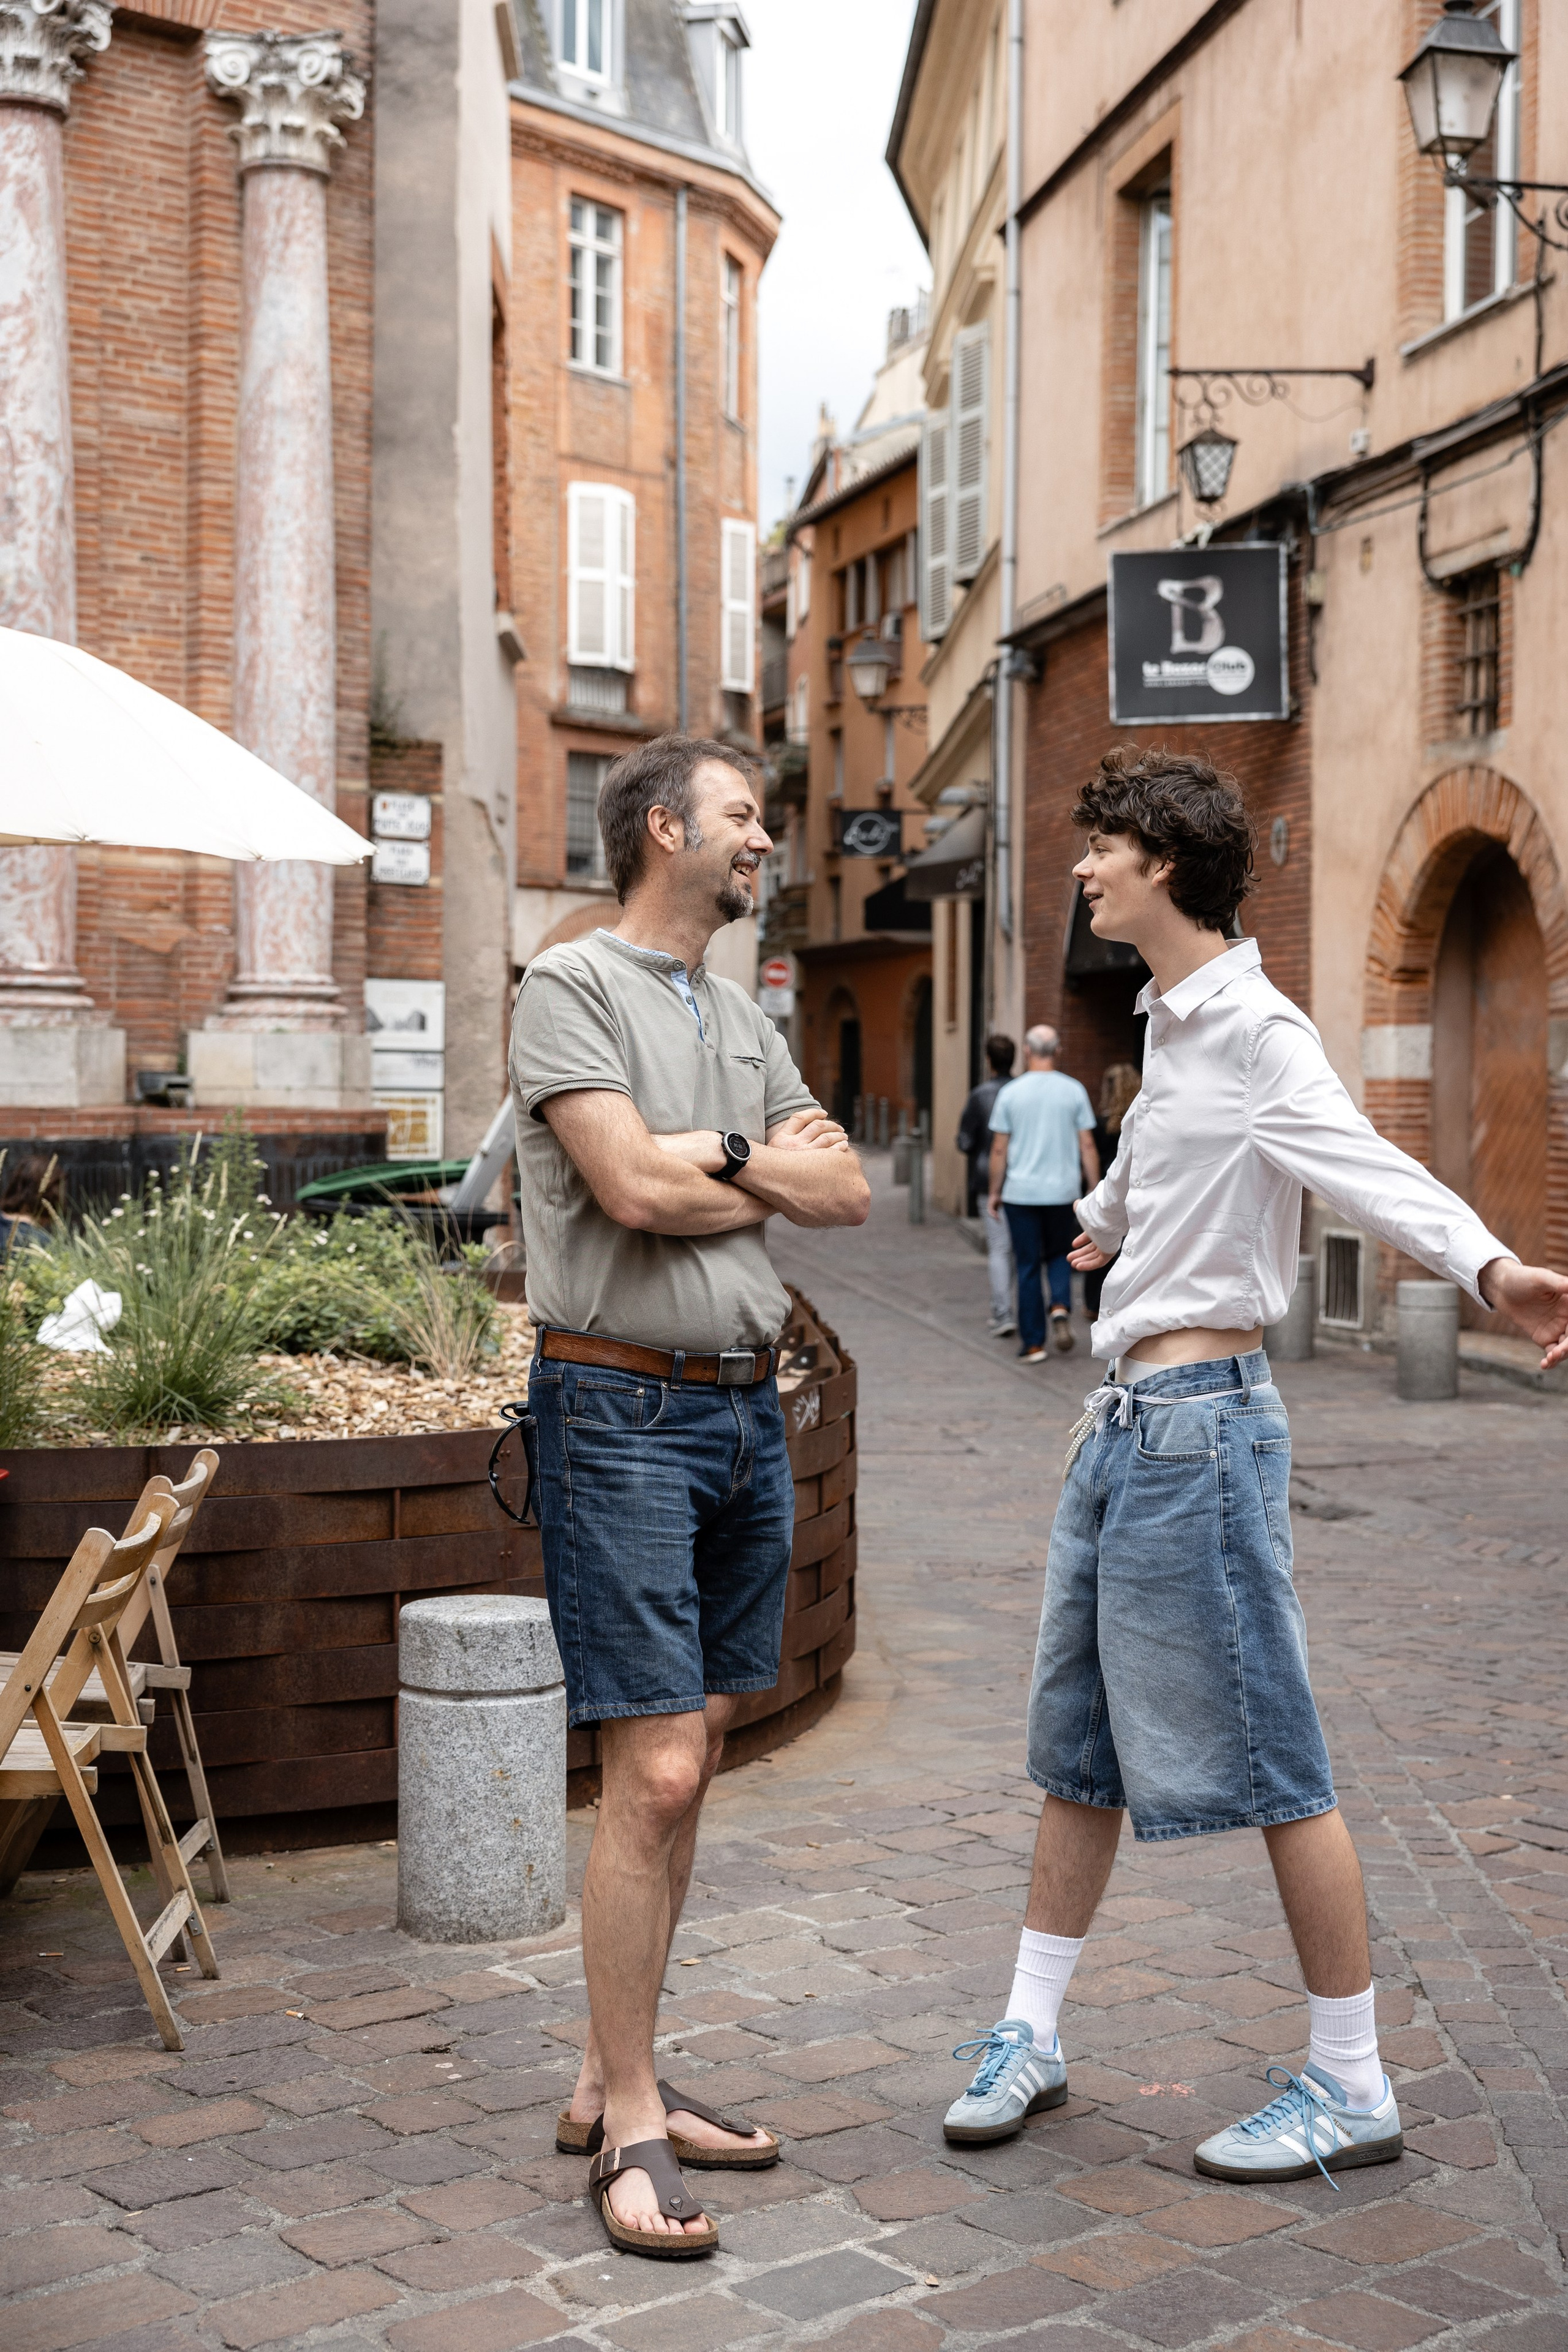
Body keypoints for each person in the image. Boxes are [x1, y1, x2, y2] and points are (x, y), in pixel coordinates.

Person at [943, 745, 1568, 2183]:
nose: (1081, 867)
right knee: (1076, 1747)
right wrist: (1105, 1216)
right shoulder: (1170, 1025)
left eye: (1099, 845)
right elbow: (1159, 1157)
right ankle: (1028, 2030)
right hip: (1124, 1429)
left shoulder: (1254, 1028)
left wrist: (1489, 1270)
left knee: (1276, 1755)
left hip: (1203, 1434)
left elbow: (1359, 1162)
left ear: (1160, 860)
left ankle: (1349, 2080)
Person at [510, 734, 870, 2256]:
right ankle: (634, 2129)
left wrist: (714, 1156)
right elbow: (631, 1189)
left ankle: (612, 2075)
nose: (763, 839)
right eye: (740, 815)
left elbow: (844, 1190)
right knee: (652, 1770)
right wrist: (747, 1161)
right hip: (617, 1412)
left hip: (741, 1415)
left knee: (697, 1752)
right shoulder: (568, 986)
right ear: (662, 827)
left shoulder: (739, 1011)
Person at [987, 1025, 1099, 1361]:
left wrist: (994, 1191)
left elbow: (999, 1149)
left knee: (1027, 1264)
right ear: (1058, 1051)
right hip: (1063, 1192)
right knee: (1059, 1253)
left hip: (1020, 1194)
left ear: (1027, 1051)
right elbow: (1087, 1144)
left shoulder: (1011, 1093)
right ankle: (1061, 1306)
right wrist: (1094, 1187)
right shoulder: (1074, 1090)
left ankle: (1034, 1344)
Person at [957, 1033, 1017, 1335]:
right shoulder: (1022, 1091)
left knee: (999, 1247)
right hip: (1020, 1179)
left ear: (989, 1060)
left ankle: (1003, 1312)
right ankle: (1009, 1308)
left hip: (987, 1180)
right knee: (1016, 1249)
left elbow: (965, 1140)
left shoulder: (980, 1095)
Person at [1082, 1061, 1140, 1322]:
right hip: (1135, 1189)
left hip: (1107, 1187)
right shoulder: (1141, 1123)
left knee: (1100, 1243)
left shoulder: (1099, 1124)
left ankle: (1094, 1303)